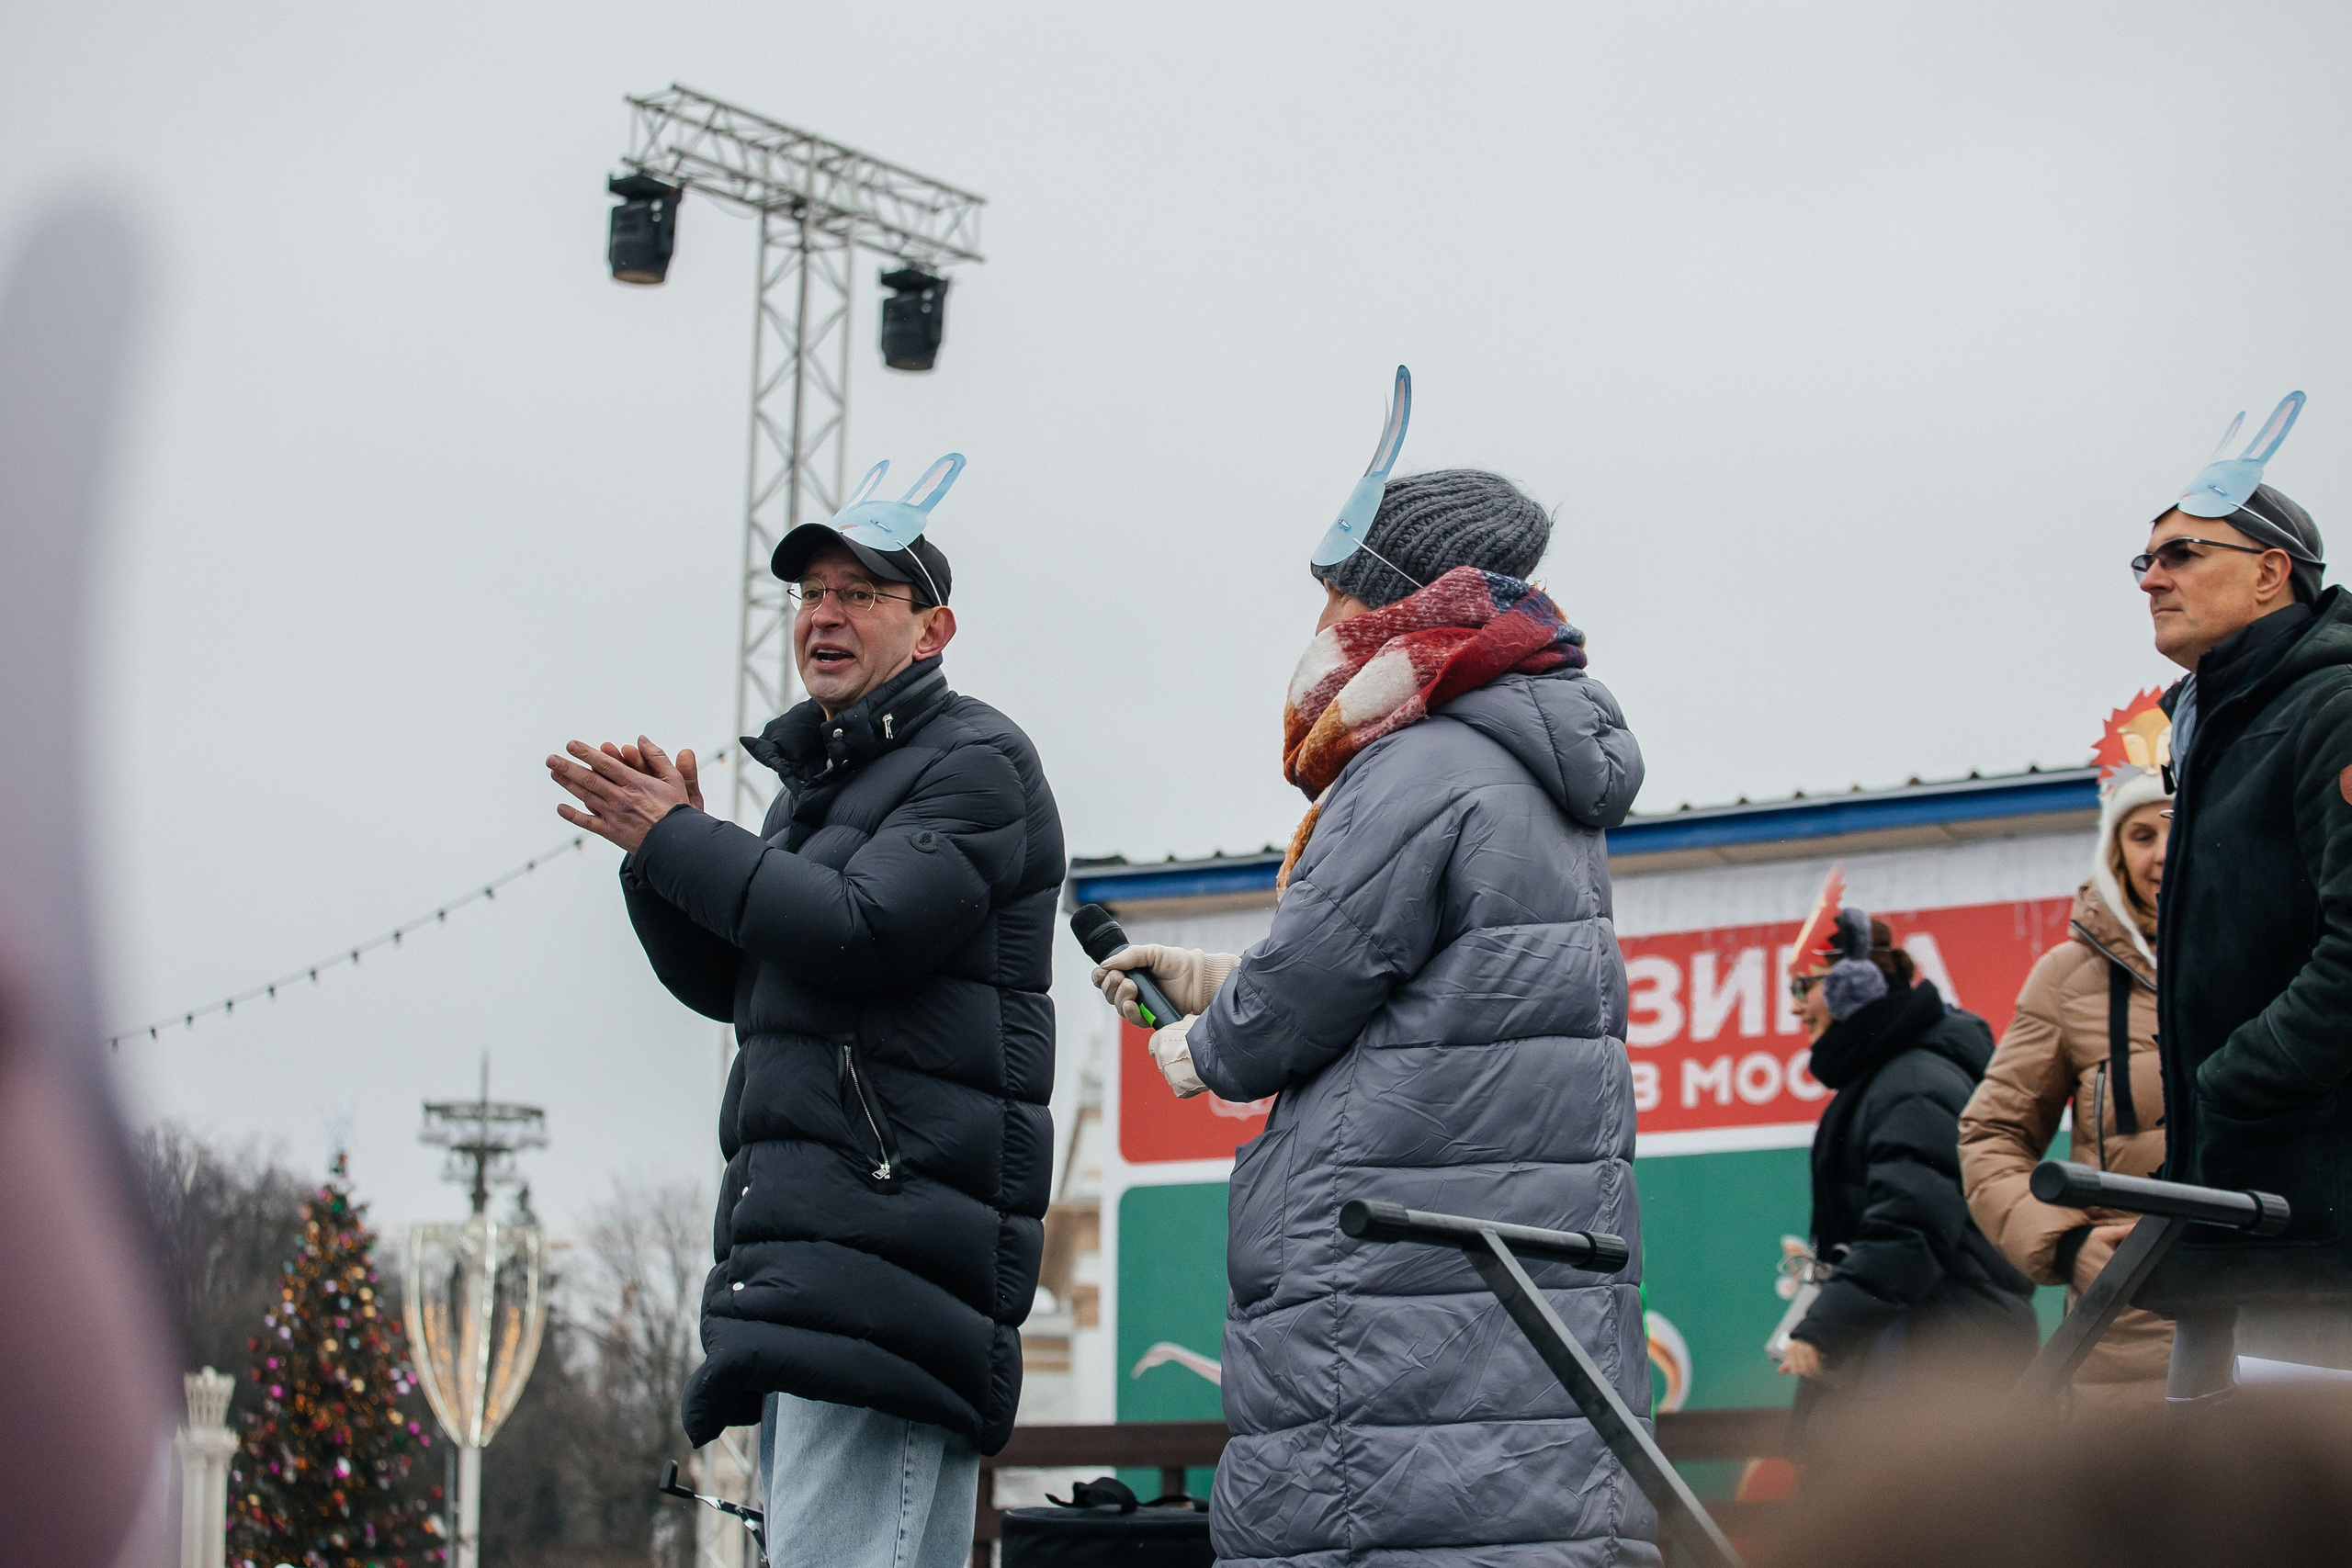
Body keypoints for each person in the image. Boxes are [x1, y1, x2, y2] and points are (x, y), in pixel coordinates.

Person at [1094, 368, 1653, 1567]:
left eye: (1337, 592)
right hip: (1493, 1263)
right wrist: (1211, 972)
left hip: (1398, 1261)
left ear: (1403, 604)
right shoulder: (1517, 756)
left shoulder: (1420, 761)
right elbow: (1411, 975)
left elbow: (1315, 975)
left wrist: (1203, 1040)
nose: (1317, 623)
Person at [546, 455, 1063, 1568]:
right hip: (824, 1254)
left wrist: (684, 841)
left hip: (891, 1253)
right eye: (809, 594)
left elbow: (858, 930)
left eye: (860, 594)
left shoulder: (977, 760)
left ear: (933, 630)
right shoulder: (812, 788)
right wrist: (659, 858)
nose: (823, 617)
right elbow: (741, 985)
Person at [2130, 391, 2352, 1393]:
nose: (2152, 578)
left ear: (2271, 574)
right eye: (2144, 559)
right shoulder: (2211, 727)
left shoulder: (2332, 709)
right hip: (2240, 1213)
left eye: (2182, 553)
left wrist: (2238, 1079)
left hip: (2319, 1234)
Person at [1958, 697, 2174, 1414]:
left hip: (2279, 1326)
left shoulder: (2290, 957)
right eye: (2141, 833)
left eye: (2179, 823)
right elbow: (1990, 1137)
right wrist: (2066, 1245)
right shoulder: (2066, 977)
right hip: (2127, 1353)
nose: (2163, 852)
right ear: (2114, 854)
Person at [1776, 908, 2037, 1438]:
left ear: (1857, 985)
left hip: (1936, 1358)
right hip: (1930, 1349)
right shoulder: (1896, 1077)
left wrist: (1825, 1328)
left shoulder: (1912, 1083)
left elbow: (1910, 1231)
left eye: (1806, 985)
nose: (1797, 1005)